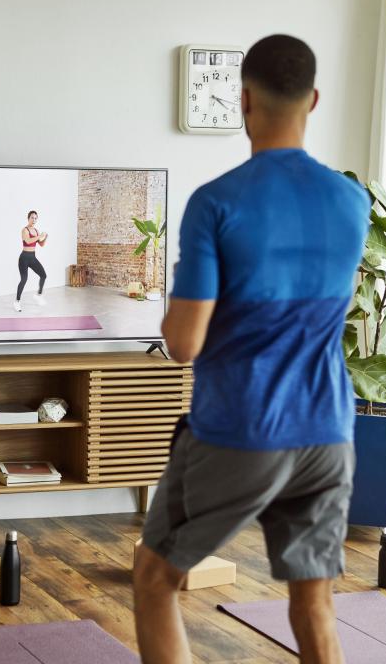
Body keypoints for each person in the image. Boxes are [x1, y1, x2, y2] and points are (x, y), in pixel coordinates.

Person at [133, 35, 370, 664]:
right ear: (314, 99)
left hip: (242, 428)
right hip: (327, 431)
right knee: (313, 604)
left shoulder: (215, 202)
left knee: (157, 581)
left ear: (242, 99)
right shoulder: (351, 200)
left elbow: (183, 345)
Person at [15, 210, 47, 311]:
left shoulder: (36, 231)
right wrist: (39, 236)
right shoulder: (24, 230)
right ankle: (17, 301)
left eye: (35, 218)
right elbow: (28, 241)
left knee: (43, 275)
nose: (34, 220)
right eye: (32, 218)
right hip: (24, 258)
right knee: (24, 279)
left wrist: (45, 237)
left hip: (32, 257)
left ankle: (38, 295)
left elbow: (41, 245)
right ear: (28, 218)